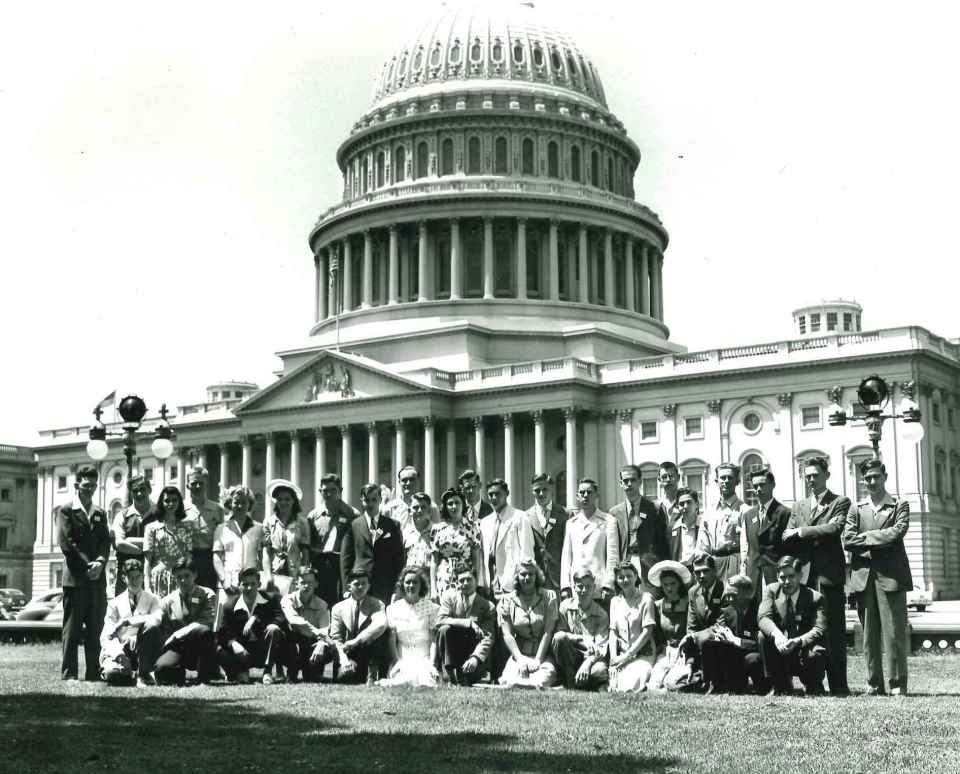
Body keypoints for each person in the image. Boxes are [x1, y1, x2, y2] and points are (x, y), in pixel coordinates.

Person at [783, 455, 851, 695]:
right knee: (806, 630)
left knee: (832, 631)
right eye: (807, 476)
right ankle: (813, 682)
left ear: (826, 476)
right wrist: (807, 534)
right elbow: (785, 535)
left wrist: (801, 531)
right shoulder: (799, 506)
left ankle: (839, 685)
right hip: (804, 577)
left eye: (815, 475)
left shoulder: (840, 502)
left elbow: (833, 529)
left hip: (828, 577)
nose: (811, 480)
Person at [842, 459, 911, 696]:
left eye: (876, 477)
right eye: (867, 478)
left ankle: (897, 685)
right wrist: (878, 538)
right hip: (863, 578)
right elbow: (848, 540)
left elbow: (897, 533)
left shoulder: (899, 505)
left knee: (894, 634)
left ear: (885, 476)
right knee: (869, 635)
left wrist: (867, 536)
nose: (872, 481)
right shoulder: (856, 508)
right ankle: (874, 684)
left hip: (891, 577)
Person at [57, 465, 111, 681]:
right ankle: (69, 673)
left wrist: (100, 562)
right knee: (72, 630)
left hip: (97, 581)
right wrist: (88, 566)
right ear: (77, 485)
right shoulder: (66, 510)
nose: (90, 490)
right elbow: (67, 544)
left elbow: (105, 542)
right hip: (76, 580)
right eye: (86, 485)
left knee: (96, 629)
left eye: (93, 486)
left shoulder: (100, 513)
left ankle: (93, 673)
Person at [758, 556, 828, 695]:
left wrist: (798, 641)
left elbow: (819, 628)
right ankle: (778, 684)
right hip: (781, 647)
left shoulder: (815, 597)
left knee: (816, 652)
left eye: (792, 576)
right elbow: (763, 617)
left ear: (800, 576)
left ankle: (813, 685)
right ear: (777, 576)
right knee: (763, 636)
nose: (787, 581)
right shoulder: (771, 591)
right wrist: (777, 635)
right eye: (782, 577)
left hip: (803, 649)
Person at [153, 558, 219, 685]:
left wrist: (177, 634)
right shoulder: (168, 600)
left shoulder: (207, 594)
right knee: (161, 669)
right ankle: (179, 672)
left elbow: (207, 622)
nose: (183, 580)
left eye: (187, 576)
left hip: (201, 646)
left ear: (195, 575)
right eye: (179, 577)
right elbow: (158, 621)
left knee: (204, 631)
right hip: (178, 647)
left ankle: (203, 679)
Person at [217, 566, 287, 684]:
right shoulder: (229, 605)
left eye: (253, 584)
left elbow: (280, 618)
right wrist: (233, 643)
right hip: (242, 651)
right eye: (245, 584)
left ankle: (267, 671)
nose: (249, 588)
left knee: (273, 629)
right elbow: (223, 633)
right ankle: (238, 671)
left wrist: (256, 617)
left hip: (263, 648)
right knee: (218, 650)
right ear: (239, 585)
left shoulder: (271, 599)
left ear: (259, 584)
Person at [99, 558, 163, 686]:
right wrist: (119, 655)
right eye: (130, 577)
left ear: (142, 577)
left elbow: (157, 618)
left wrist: (130, 622)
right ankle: (132, 673)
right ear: (124, 578)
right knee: (112, 673)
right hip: (121, 650)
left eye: (138, 577)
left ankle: (142, 673)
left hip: (144, 650)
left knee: (152, 626)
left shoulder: (153, 599)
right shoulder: (114, 603)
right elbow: (106, 635)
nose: (134, 581)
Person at [698, 575, 765, 694]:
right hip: (733, 658)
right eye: (727, 595)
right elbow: (716, 627)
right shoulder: (728, 610)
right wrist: (717, 636)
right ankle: (714, 684)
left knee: (753, 659)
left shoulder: (760, 611)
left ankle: (762, 687)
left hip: (753, 656)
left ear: (748, 593)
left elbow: (761, 644)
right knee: (708, 644)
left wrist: (735, 640)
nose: (729, 599)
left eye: (733, 595)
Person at [498, 559, 559, 688]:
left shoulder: (549, 597)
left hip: (542, 656)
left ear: (537, 576)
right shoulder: (507, 600)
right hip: (520, 655)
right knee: (508, 681)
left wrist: (537, 660)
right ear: (516, 577)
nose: (527, 578)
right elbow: (507, 634)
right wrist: (520, 659)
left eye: (531, 574)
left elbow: (548, 632)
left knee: (540, 681)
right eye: (523, 574)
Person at [340, 483, 404, 604]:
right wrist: (346, 587)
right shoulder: (353, 525)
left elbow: (399, 558)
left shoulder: (392, 525)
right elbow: (346, 559)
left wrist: (398, 586)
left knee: (382, 620)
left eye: (374, 499)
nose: (370, 504)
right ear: (361, 501)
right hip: (359, 583)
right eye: (366, 500)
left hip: (385, 584)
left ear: (380, 499)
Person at [435, 563, 497, 686]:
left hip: (473, 655)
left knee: (471, 679)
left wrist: (476, 658)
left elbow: (488, 637)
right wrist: (467, 622)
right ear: (456, 583)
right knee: (444, 629)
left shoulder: (487, 606)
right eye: (461, 580)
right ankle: (449, 674)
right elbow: (440, 620)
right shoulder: (449, 598)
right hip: (453, 654)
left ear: (476, 580)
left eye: (469, 579)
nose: (465, 583)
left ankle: (474, 674)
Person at [213, 485, 270, 617]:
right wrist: (224, 581)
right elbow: (217, 558)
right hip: (228, 585)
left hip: (250, 585)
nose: (239, 506)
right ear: (229, 504)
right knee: (222, 622)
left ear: (249, 504)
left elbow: (265, 555)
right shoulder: (221, 529)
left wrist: (266, 578)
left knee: (251, 621)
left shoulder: (259, 529)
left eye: (244, 502)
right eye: (236, 502)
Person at [379, 566, 441, 687]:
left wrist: (432, 664)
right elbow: (392, 640)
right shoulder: (392, 609)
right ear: (402, 585)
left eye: (415, 582)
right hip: (402, 658)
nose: (411, 586)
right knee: (404, 678)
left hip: (424, 658)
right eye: (408, 582)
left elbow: (434, 640)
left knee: (425, 681)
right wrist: (397, 662)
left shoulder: (432, 608)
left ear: (421, 585)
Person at [609, 464, 668, 589]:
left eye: (633, 480)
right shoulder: (614, 513)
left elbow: (663, 544)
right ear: (620, 483)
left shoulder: (654, 509)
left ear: (640, 482)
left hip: (648, 566)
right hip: (624, 566)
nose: (629, 484)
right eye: (625, 481)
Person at [560, 478, 618, 603]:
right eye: (582, 493)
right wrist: (565, 585)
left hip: (598, 588)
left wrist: (608, 584)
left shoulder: (608, 521)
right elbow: (566, 557)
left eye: (589, 492)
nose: (585, 496)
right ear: (577, 496)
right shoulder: (571, 523)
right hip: (576, 587)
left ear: (597, 495)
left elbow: (612, 556)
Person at [306, 473, 359, 608]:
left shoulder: (352, 514)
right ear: (320, 492)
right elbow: (308, 545)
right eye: (325, 491)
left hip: (343, 564)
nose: (328, 494)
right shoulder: (313, 516)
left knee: (343, 602)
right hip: (320, 565)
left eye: (332, 490)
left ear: (340, 490)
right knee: (321, 603)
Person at [329, 568, 389, 683]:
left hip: (369, 651)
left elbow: (380, 624)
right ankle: (357, 672)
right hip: (348, 653)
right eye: (357, 584)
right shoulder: (338, 608)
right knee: (344, 678)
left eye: (364, 583)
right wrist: (343, 660)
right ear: (349, 586)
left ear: (369, 586)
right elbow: (336, 638)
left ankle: (374, 673)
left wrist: (357, 640)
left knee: (383, 633)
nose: (361, 587)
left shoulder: (377, 604)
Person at [552, 570, 609, 691]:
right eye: (580, 586)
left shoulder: (601, 614)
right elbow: (558, 635)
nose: (584, 591)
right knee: (560, 638)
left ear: (594, 588)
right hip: (570, 656)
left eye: (588, 586)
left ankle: (575, 682)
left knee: (599, 671)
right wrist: (580, 638)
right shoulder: (564, 607)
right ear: (574, 587)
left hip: (591, 659)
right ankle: (572, 682)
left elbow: (600, 648)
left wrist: (587, 664)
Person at [697, 463, 754, 584]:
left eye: (730, 478)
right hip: (712, 563)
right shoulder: (709, 512)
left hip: (734, 562)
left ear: (737, 481)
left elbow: (747, 547)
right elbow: (702, 544)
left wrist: (743, 573)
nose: (726, 481)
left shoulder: (745, 510)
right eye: (723, 478)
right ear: (717, 481)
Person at [478, 478, 534, 599]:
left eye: (497, 494)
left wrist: (521, 581)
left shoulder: (520, 517)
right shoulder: (485, 522)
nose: (493, 498)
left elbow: (527, 553)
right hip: (491, 586)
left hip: (512, 584)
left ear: (507, 493)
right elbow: (483, 556)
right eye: (490, 495)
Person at [280, 566, 337, 682]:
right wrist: (318, 633)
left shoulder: (322, 605)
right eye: (303, 582)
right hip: (292, 644)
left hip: (310, 644)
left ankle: (313, 670)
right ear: (296, 584)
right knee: (285, 641)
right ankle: (292, 671)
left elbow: (325, 629)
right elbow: (293, 620)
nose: (306, 586)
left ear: (316, 584)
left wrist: (321, 643)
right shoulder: (287, 600)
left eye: (310, 582)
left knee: (328, 647)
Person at [607, 562, 657, 692]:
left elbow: (648, 631)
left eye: (629, 576)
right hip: (621, 656)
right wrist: (613, 660)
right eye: (621, 577)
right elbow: (613, 632)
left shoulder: (646, 599)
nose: (625, 580)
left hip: (643, 654)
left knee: (629, 684)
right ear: (617, 580)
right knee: (613, 683)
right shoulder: (614, 602)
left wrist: (627, 656)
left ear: (636, 576)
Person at [740, 466, 792, 591]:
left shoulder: (784, 513)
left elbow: (790, 548)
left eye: (762, 484)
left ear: (773, 485)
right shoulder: (748, 515)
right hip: (754, 575)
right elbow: (748, 548)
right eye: (755, 485)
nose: (758, 489)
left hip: (776, 574)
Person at [143, 486, 199, 598]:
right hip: (159, 579)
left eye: (174, 500)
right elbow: (148, 560)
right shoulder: (151, 528)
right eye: (167, 501)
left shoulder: (186, 527)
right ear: (161, 503)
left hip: (181, 579)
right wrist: (147, 586)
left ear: (179, 503)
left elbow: (189, 557)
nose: (171, 504)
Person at [647, 559, 692, 690]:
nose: (669, 588)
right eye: (665, 584)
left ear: (679, 583)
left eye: (673, 583)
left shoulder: (689, 604)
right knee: (653, 685)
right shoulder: (658, 606)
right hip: (666, 652)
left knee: (672, 682)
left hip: (684, 652)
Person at [430, 488, 482, 599]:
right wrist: (433, 589)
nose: (454, 507)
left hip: (465, 578)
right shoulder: (437, 529)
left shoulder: (473, 527)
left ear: (463, 504)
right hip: (444, 577)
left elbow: (476, 559)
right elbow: (434, 561)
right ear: (445, 507)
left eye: (457, 502)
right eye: (450, 504)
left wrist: (476, 583)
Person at [262, 479, 311, 596]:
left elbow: (305, 554)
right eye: (279, 499)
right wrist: (268, 577)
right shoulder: (268, 522)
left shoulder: (302, 523)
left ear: (294, 501)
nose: (283, 502)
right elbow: (266, 552)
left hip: (294, 574)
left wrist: (302, 576)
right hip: (274, 574)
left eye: (287, 499)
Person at [524, 473, 569, 592]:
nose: (541, 494)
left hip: (558, 579)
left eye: (545, 489)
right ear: (532, 491)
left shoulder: (565, 514)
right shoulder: (525, 517)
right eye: (537, 490)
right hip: (536, 580)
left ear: (552, 490)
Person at [183, 467, 225, 590]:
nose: (197, 486)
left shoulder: (217, 509)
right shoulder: (180, 509)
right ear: (187, 485)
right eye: (194, 483)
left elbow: (222, 538)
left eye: (201, 483)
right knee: (189, 595)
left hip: (210, 558)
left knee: (209, 595)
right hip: (188, 558)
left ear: (206, 484)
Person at [112, 475, 154, 595]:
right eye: (135, 491)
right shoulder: (122, 516)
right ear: (131, 493)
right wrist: (147, 550)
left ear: (149, 490)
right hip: (127, 576)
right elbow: (120, 544)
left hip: (152, 575)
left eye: (142, 489)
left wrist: (130, 540)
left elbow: (164, 543)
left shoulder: (159, 514)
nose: (139, 494)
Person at [384, 465, 425, 531]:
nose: (408, 483)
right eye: (404, 480)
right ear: (399, 482)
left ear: (418, 481)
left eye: (412, 479)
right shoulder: (389, 508)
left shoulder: (430, 507)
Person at [668, 488, 700, 568]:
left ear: (696, 504)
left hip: (699, 570)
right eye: (682, 504)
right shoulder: (672, 528)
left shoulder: (704, 525)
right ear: (678, 506)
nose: (685, 506)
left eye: (689, 502)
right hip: (679, 571)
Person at [403, 492, 435, 572]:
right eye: (415, 507)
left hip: (429, 580)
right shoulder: (405, 533)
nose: (419, 511)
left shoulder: (437, 531)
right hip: (411, 581)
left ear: (429, 511)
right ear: (410, 511)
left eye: (423, 507)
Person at [656, 461, 681, 527]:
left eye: (671, 476)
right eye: (664, 477)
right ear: (659, 480)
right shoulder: (656, 507)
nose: (668, 479)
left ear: (678, 477)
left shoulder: (686, 503)